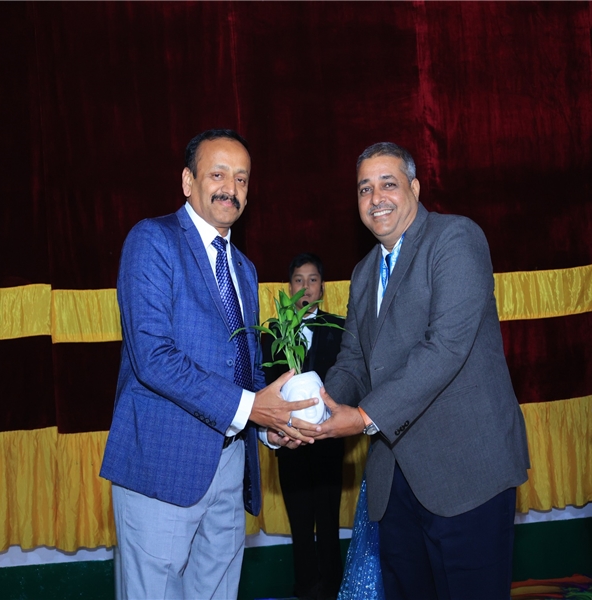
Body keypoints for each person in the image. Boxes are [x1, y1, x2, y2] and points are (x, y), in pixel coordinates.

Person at [296, 141, 530, 599]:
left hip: (467, 475)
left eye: (388, 184)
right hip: (394, 484)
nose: (376, 198)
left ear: (415, 188)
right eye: (364, 188)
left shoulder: (454, 238)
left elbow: (444, 349)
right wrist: (310, 411)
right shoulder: (363, 273)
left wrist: (363, 417)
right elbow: (354, 362)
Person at [99, 129, 317, 600]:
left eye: (241, 179)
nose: (230, 189)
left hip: (231, 468)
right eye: (217, 174)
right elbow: (153, 358)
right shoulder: (152, 240)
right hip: (162, 467)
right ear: (187, 181)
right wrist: (251, 408)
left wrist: (270, 426)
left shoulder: (245, 268)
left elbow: (247, 367)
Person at [262, 253, 346, 600]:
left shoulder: (341, 328)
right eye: (299, 280)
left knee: (328, 520)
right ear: (289, 288)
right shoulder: (271, 333)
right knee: (299, 521)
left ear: (322, 287)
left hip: (330, 443)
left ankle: (332, 588)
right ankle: (306, 589)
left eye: (313, 280)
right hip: (289, 441)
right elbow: (264, 387)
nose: (306, 287)